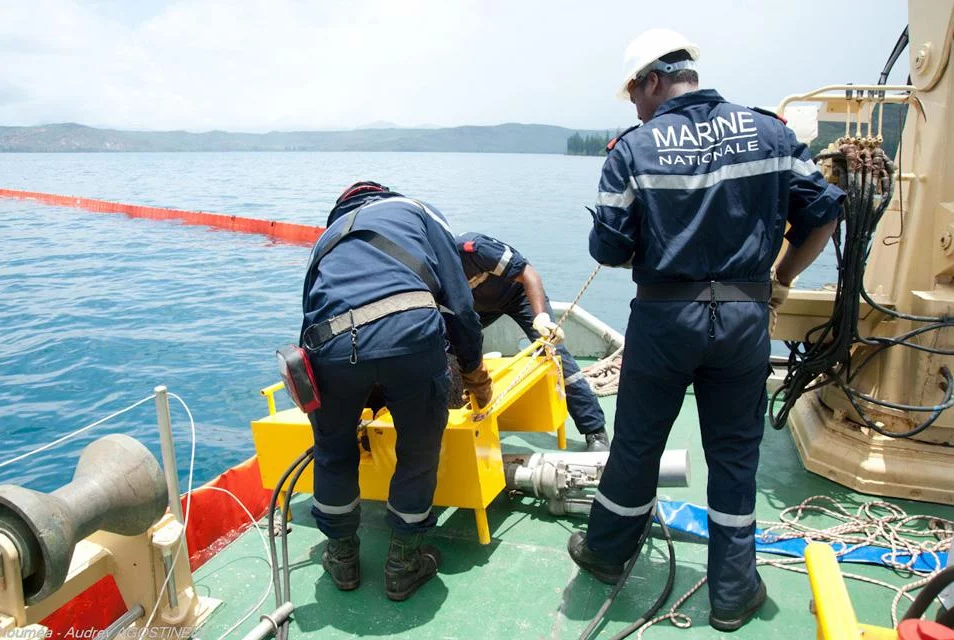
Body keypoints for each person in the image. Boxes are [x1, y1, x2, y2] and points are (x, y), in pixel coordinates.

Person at [566, 29, 844, 632]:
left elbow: (610, 249)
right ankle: (732, 592)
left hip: (666, 320)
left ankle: (608, 556)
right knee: (735, 455)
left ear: (651, 80)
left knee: (638, 444)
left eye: (633, 94)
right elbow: (823, 212)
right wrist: (783, 278)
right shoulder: (772, 133)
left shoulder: (632, 149)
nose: (634, 107)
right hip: (744, 319)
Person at [300, 181, 492, 601]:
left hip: (330, 345)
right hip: (411, 333)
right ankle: (403, 563)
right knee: (418, 452)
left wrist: (331, 401)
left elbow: (308, 318)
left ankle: (342, 558)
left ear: (342, 209)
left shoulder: (326, 239)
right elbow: (459, 304)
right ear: (383, 195)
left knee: (333, 451)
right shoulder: (417, 210)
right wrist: (475, 372)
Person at [455, 232, 610, 451]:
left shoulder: (474, 249)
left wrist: (542, 318)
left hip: (518, 295)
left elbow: (528, 273)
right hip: (476, 308)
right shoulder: (430, 269)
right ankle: (458, 418)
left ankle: (594, 430)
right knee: (448, 350)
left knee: (553, 352)